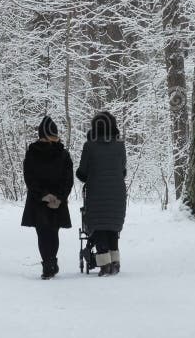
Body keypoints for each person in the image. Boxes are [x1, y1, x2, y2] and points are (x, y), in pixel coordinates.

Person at [21, 116, 74, 280]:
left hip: (40, 201)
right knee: (51, 232)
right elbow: (68, 179)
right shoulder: (63, 154)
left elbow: (30, 178)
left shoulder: (33, 153)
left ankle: (48, 264)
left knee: (44, 233)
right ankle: (50, 263)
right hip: (51, 201)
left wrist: (46, 196)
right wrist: (58, 197)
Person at [76, 111, 127, 277]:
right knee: (112, 227)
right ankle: (115, 262)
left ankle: (104, 264)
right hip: (117, 192)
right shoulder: (120, 145)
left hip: (97, 192)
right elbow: (123, 170)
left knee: (98, 226)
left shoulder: (89, 146)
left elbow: (82, 173)